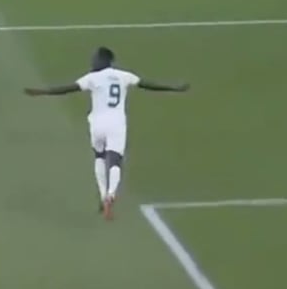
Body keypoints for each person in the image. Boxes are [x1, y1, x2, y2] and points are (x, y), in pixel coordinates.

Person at [24, 46, 189, 220]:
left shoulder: (92, 78)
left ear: (102, 60)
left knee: (99, 157)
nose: (92, 62)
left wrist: (42, 92)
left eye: (94, 59)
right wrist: (174, 88)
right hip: (117, 124)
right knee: (115, 161)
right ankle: (111, 194)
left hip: (97, 124)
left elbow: (67, 88)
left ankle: (103, 195)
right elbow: (149, 85)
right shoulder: (124, 76)